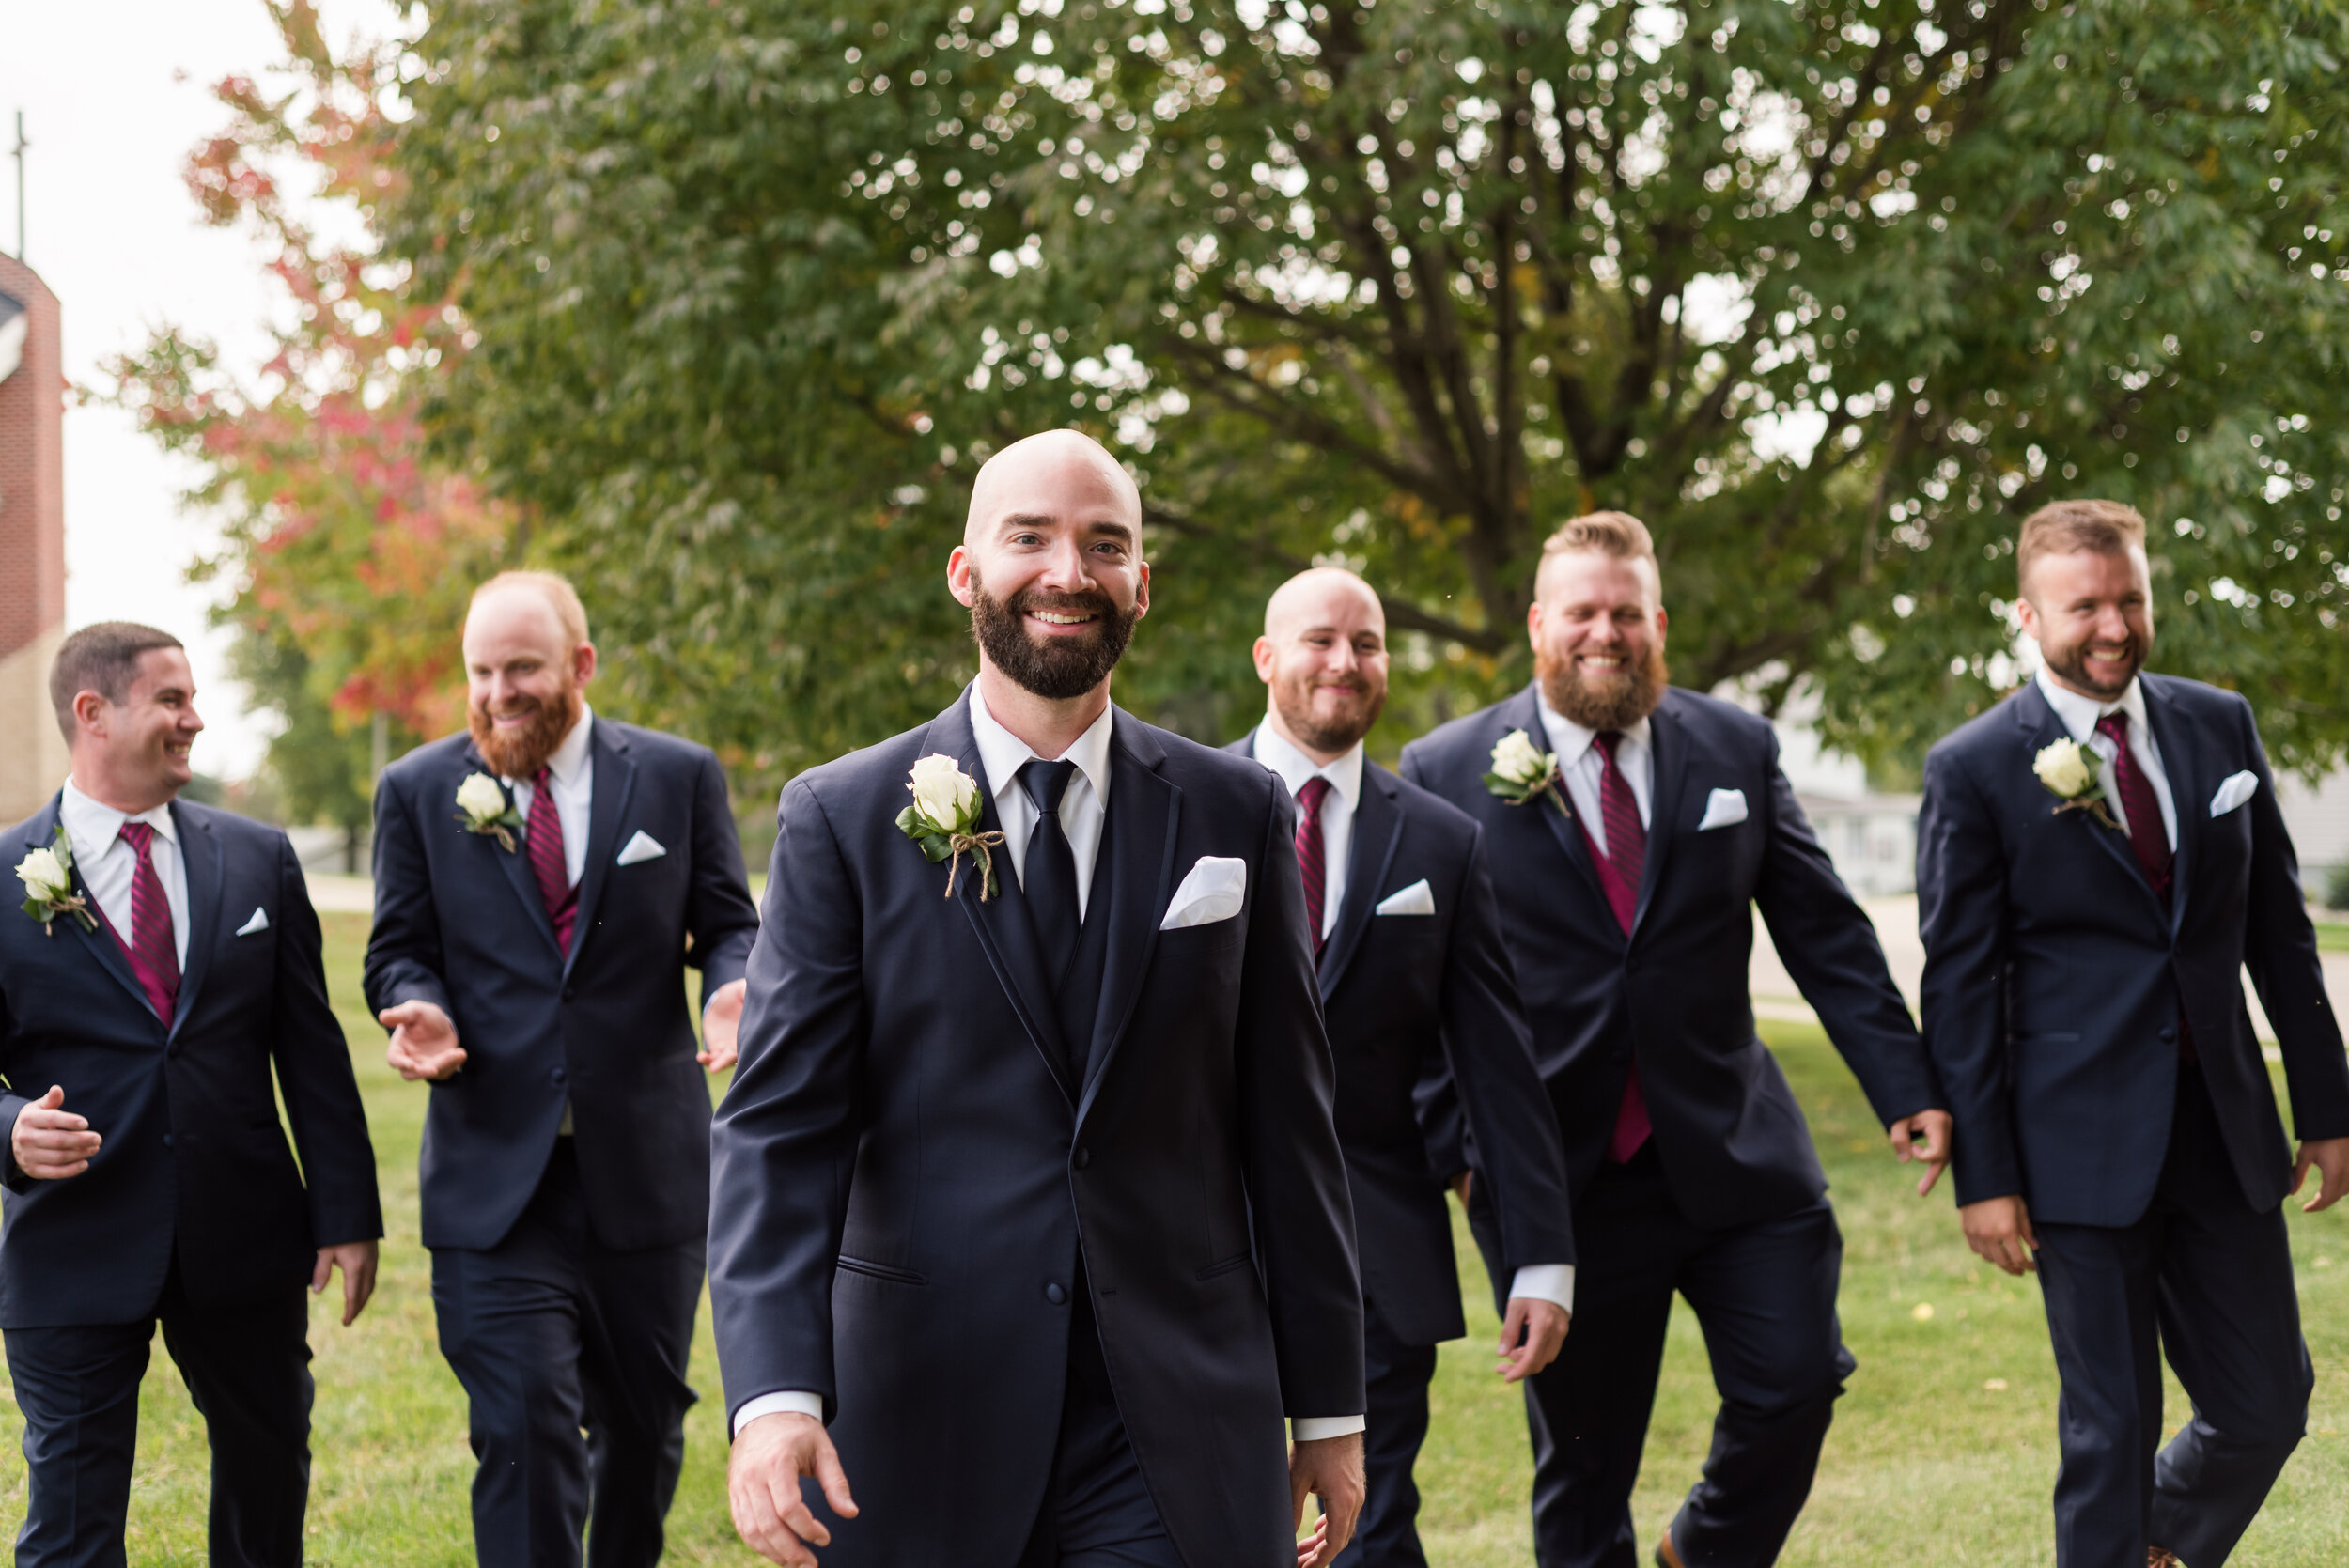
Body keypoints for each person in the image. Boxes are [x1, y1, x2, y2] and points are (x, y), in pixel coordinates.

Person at [710, 429, 1366, 1568]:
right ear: (966, 572)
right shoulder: (842, 818)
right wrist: (771, 1392)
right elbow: (779, 1131)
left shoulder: (1236, 815)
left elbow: (1289, 1126)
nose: (1068, 572)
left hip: (1173, 1411)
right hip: (921, 1410)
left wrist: (1327, 1406)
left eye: (1104, 544)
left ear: (1140, 587)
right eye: (1031, 537)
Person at [1400, 513, 1951, 1568]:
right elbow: (1415, 994)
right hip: (1555, 1180)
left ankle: (1699, 1548)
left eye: (1624, 612)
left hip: (1735, 1155)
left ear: (1658, 622)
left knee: (1794, 1382)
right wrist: (1466, 1158)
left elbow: (1824, 931)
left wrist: (1902, 1082)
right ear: (1536, 625)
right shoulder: (1445, 768)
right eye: (1580, 613)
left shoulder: (1734, 746)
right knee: (1584, 1461)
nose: (1603, 632)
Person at [1916, 499, 2349, 1568]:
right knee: (2109, 1429)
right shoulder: (1971, 767)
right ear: (2025, 613)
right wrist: (1985, 1172)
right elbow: (1960, 988)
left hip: (2223, 1130)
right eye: (2083, 607)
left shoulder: (2219, 724)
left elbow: (2279, 935)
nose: (2112, 626)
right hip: (2073, 1150)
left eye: (2129, 600)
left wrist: (2328, 1109)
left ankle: (2142, 1548)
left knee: (2266, 1405)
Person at [363, 572, 760, 1568]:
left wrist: (732, 984)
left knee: (644, 1425)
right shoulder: (416, 790)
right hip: (494, 1171)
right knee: (526, 1419)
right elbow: (397, 945)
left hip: (646, 1169)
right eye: (482, 671)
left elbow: (731, 924)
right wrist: (418, 1004)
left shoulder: (676, 776)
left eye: (523, 668)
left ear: (580, 665)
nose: (500, 691)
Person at [0, 621, 381, 1568]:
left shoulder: (257, 857)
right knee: (73, 1517)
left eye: (193, 698)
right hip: (73, 1239)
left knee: (266, 1481)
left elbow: (311, 1049)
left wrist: (347, 1212)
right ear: (93, 713)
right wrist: (8, 1129)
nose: (195, 719)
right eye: (171, 699)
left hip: (244, 1234)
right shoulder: (3, 876)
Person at [1227, 567, 1575, 1568]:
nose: (1344, 661)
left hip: (1373, 1249)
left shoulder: (1442, 839)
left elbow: (1498, 1064)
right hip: (1196, 1247)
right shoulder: (1184, 808)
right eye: (1319, 639)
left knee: (1368, 1532)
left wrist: (1539, 1255)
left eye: (1367, 643)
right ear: (1266, 657)